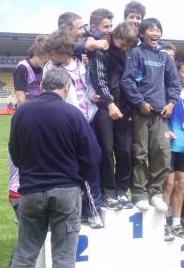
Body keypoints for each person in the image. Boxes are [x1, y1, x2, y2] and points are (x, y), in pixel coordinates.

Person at [8, 67, 101, 268]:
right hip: (66, 190)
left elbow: (15, 152)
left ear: (41, 87)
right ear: (67, 89)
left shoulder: (22, 112)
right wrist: (79, 174)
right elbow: (93, 156)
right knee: (63, 257)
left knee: (25, 254)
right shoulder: (73, 114)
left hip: (31, 189)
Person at [43, 27, 103, 228]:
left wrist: (93, 96)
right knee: (67, 168)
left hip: (86, 121)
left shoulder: (81, 65)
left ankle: (93, 211)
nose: (49, 56)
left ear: (64, 50)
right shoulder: (50, 68)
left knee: (91, 167)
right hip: (64, 126)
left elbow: (88, 87)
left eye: (52, 51)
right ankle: (69, 213)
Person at [121, 18, 181, 211]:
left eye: (158, 30)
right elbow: (127, 81)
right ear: (141, 33)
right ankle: (139, 193)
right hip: (141, 113)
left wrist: (171, 103)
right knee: (140, 153)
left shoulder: (165, 58)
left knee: (161, 153)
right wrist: (139, 102)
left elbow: (174, 83)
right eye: (150, 30)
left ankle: (155, 192)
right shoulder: (135, 53)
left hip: (161, 114)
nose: (155, 33)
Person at [90, 21, 137, 210]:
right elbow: (99, 77)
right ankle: (109, 192)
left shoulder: (131, 52)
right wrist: (109, 103)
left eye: (128, 45)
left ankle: (121, 190)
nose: (125, 48)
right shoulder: (103, 49)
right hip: (105, 107)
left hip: (125, 108)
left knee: (124, 151)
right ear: (114, 36)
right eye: (122, 44)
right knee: (107, 150)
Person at [8, 34, 49, 220]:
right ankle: (17, 205)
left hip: (41, 119)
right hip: (26, 119)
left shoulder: (47, 68)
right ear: (39, 53)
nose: (49, 61)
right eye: (47, 56)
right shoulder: (22, 68)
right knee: (18, 163)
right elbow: (21, 100)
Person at [162, 61, 184, 241]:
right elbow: (161, 115)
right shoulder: (168, 90)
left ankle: (176, 223)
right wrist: (166, 130)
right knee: (168, 182)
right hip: (169, 141)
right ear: (177, 72)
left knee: (181, 183)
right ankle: (162, 224)